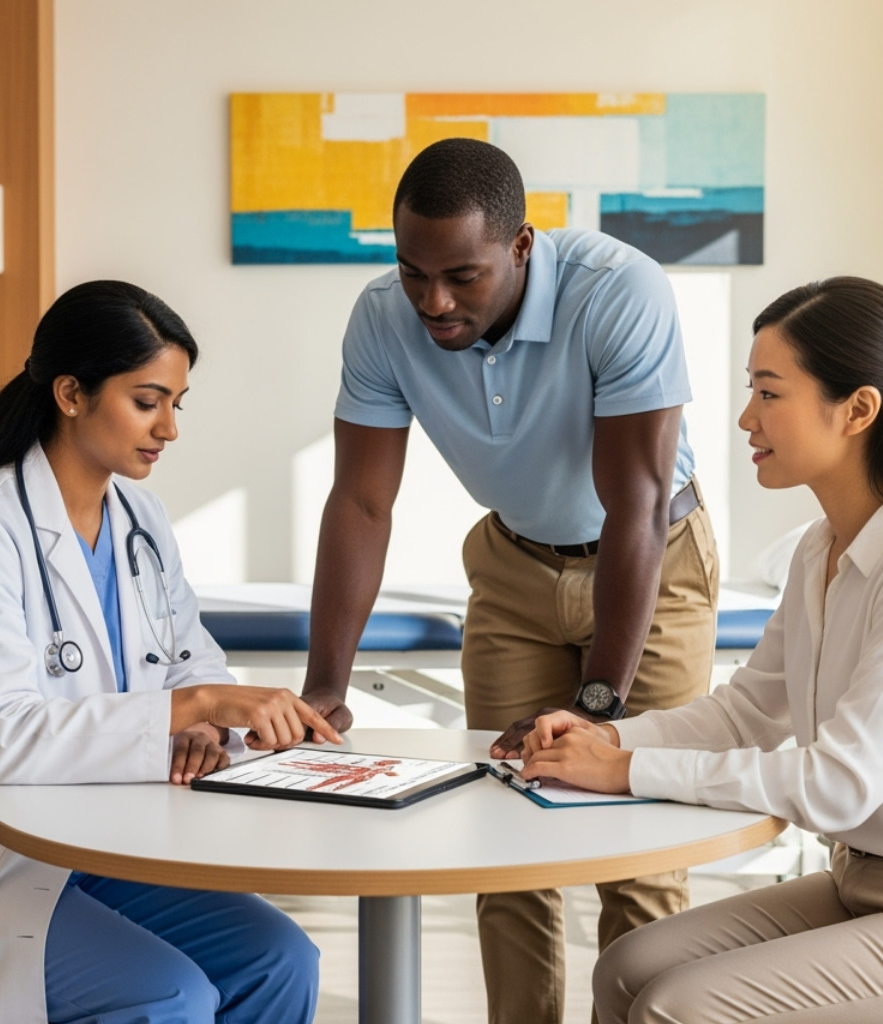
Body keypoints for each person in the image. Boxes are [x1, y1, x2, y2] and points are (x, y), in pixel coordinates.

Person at [521, 277, 883, 1024]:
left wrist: (626, 771)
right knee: (627, 969)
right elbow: (749, 710)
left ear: (858, 409)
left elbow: (841, 784)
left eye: (770, 394)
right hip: (865, 884)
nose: (748, 417)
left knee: (677, 1008)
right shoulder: (822, 548)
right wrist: (607, 736)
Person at [300, 138, 720, 1024]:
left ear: (522, 246)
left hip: (651, 562)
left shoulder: (619, 291)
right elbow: (361, 504)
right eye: (413, 272)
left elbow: (635, 505)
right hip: (513, 567)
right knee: (503, 838)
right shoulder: (383, 317)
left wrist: (597, 707)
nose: (433, 302)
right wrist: (324, 690)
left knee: (635, 848)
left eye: (462, 275)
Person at [0, 281, 342, 1024]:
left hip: (102, 844)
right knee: (169, 996)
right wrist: (194, 706)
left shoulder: (140, 516)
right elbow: (0, 739)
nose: (169, 428)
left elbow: (187, 656)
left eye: (177, 403)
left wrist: (205, 719)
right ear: (71, 393)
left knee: (282, 960)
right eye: (148, 401)